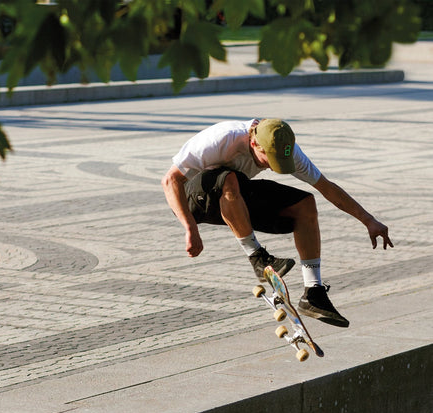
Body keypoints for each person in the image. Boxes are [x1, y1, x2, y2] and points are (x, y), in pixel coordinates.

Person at [161, 117, 393, 327]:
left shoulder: (288, 149)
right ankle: (257, 257)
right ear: (254, 144)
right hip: (192, 200)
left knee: (305, 204)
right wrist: (189, 227)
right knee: (230, 179)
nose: (272, 167)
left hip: (235, 196)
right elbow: (170, 180)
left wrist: (368, 220)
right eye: (268, 160)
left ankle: (313, 293)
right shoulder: (220, 140)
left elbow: (327, 188)